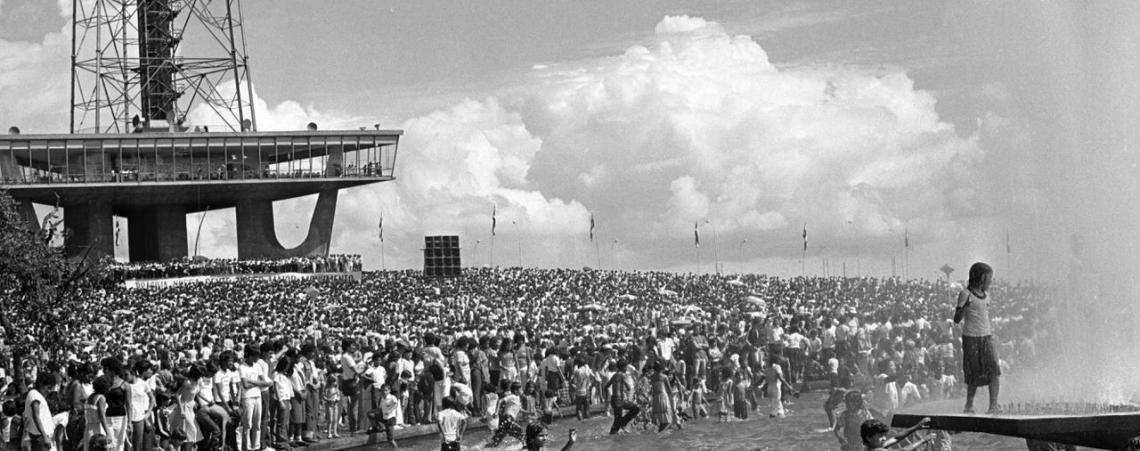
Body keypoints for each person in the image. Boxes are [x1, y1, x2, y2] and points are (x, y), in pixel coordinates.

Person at [954, 262, 1001, 414]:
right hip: (971, 337)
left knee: (994, 370)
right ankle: (969, 404)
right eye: (989, 278)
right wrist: (965, 307)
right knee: (973, 373)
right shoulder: (965, 294)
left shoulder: (987, 296)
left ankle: (993, 405)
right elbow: (956, 318)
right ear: (981, 277)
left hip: (986, 336)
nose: (990, 281)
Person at [599, 360, 638, 434]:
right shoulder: (622, 375)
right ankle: (620, 425)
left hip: (614, 400)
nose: (626, 368)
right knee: (635, 409)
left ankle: (620, 424)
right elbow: (629, 388)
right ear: (624, 367)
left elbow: (606, 387)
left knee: (618, 419)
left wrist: (606, 397)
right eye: (626, 367)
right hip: (619, 400)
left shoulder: (615, 375)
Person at [25, 373, 59, 451]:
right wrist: (44, 437)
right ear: (41, 384)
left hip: (43, 436)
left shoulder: (35, 394)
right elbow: (36, 417)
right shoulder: (35, 396)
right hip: (41, 437)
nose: (49, 390)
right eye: (48, 387)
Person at [860, 418, 931, 451]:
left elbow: (895, 438)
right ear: (868, 437)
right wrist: (923, 440)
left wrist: (917, 426)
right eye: (880, 436)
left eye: (884, 435)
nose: (884, 438)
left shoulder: (873, 445)